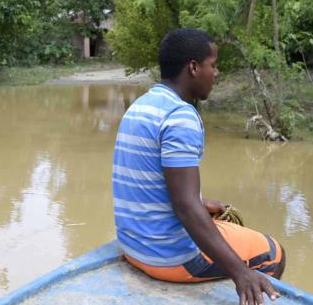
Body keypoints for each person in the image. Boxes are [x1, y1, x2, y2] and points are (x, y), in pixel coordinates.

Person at [112, 28, 285, 305]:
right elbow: (185, 207)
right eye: (212, 65)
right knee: (273, 253)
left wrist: (201, 202)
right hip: (167, 256)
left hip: (132, 247)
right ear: (193, 67)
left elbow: (154, 186)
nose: (216, 73)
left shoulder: (141, 106)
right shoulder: (180, 116)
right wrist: (240, 273)